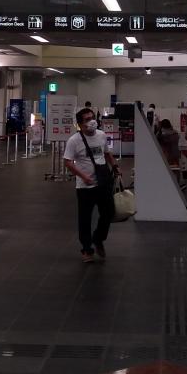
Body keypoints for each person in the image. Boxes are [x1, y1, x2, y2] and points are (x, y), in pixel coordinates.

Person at [62, 106, 120, 263]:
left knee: (109, 212)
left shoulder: (101, 135)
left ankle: (98, 238)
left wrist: (115, 166)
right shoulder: (74, 140)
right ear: (80, 124)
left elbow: (106, 153)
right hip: (85, 187)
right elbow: (68, 162)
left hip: (103, 182)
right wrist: (83, 177)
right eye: (87, 119)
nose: (92, 121)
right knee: (85, 218)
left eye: (93, 117)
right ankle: (87, 249)